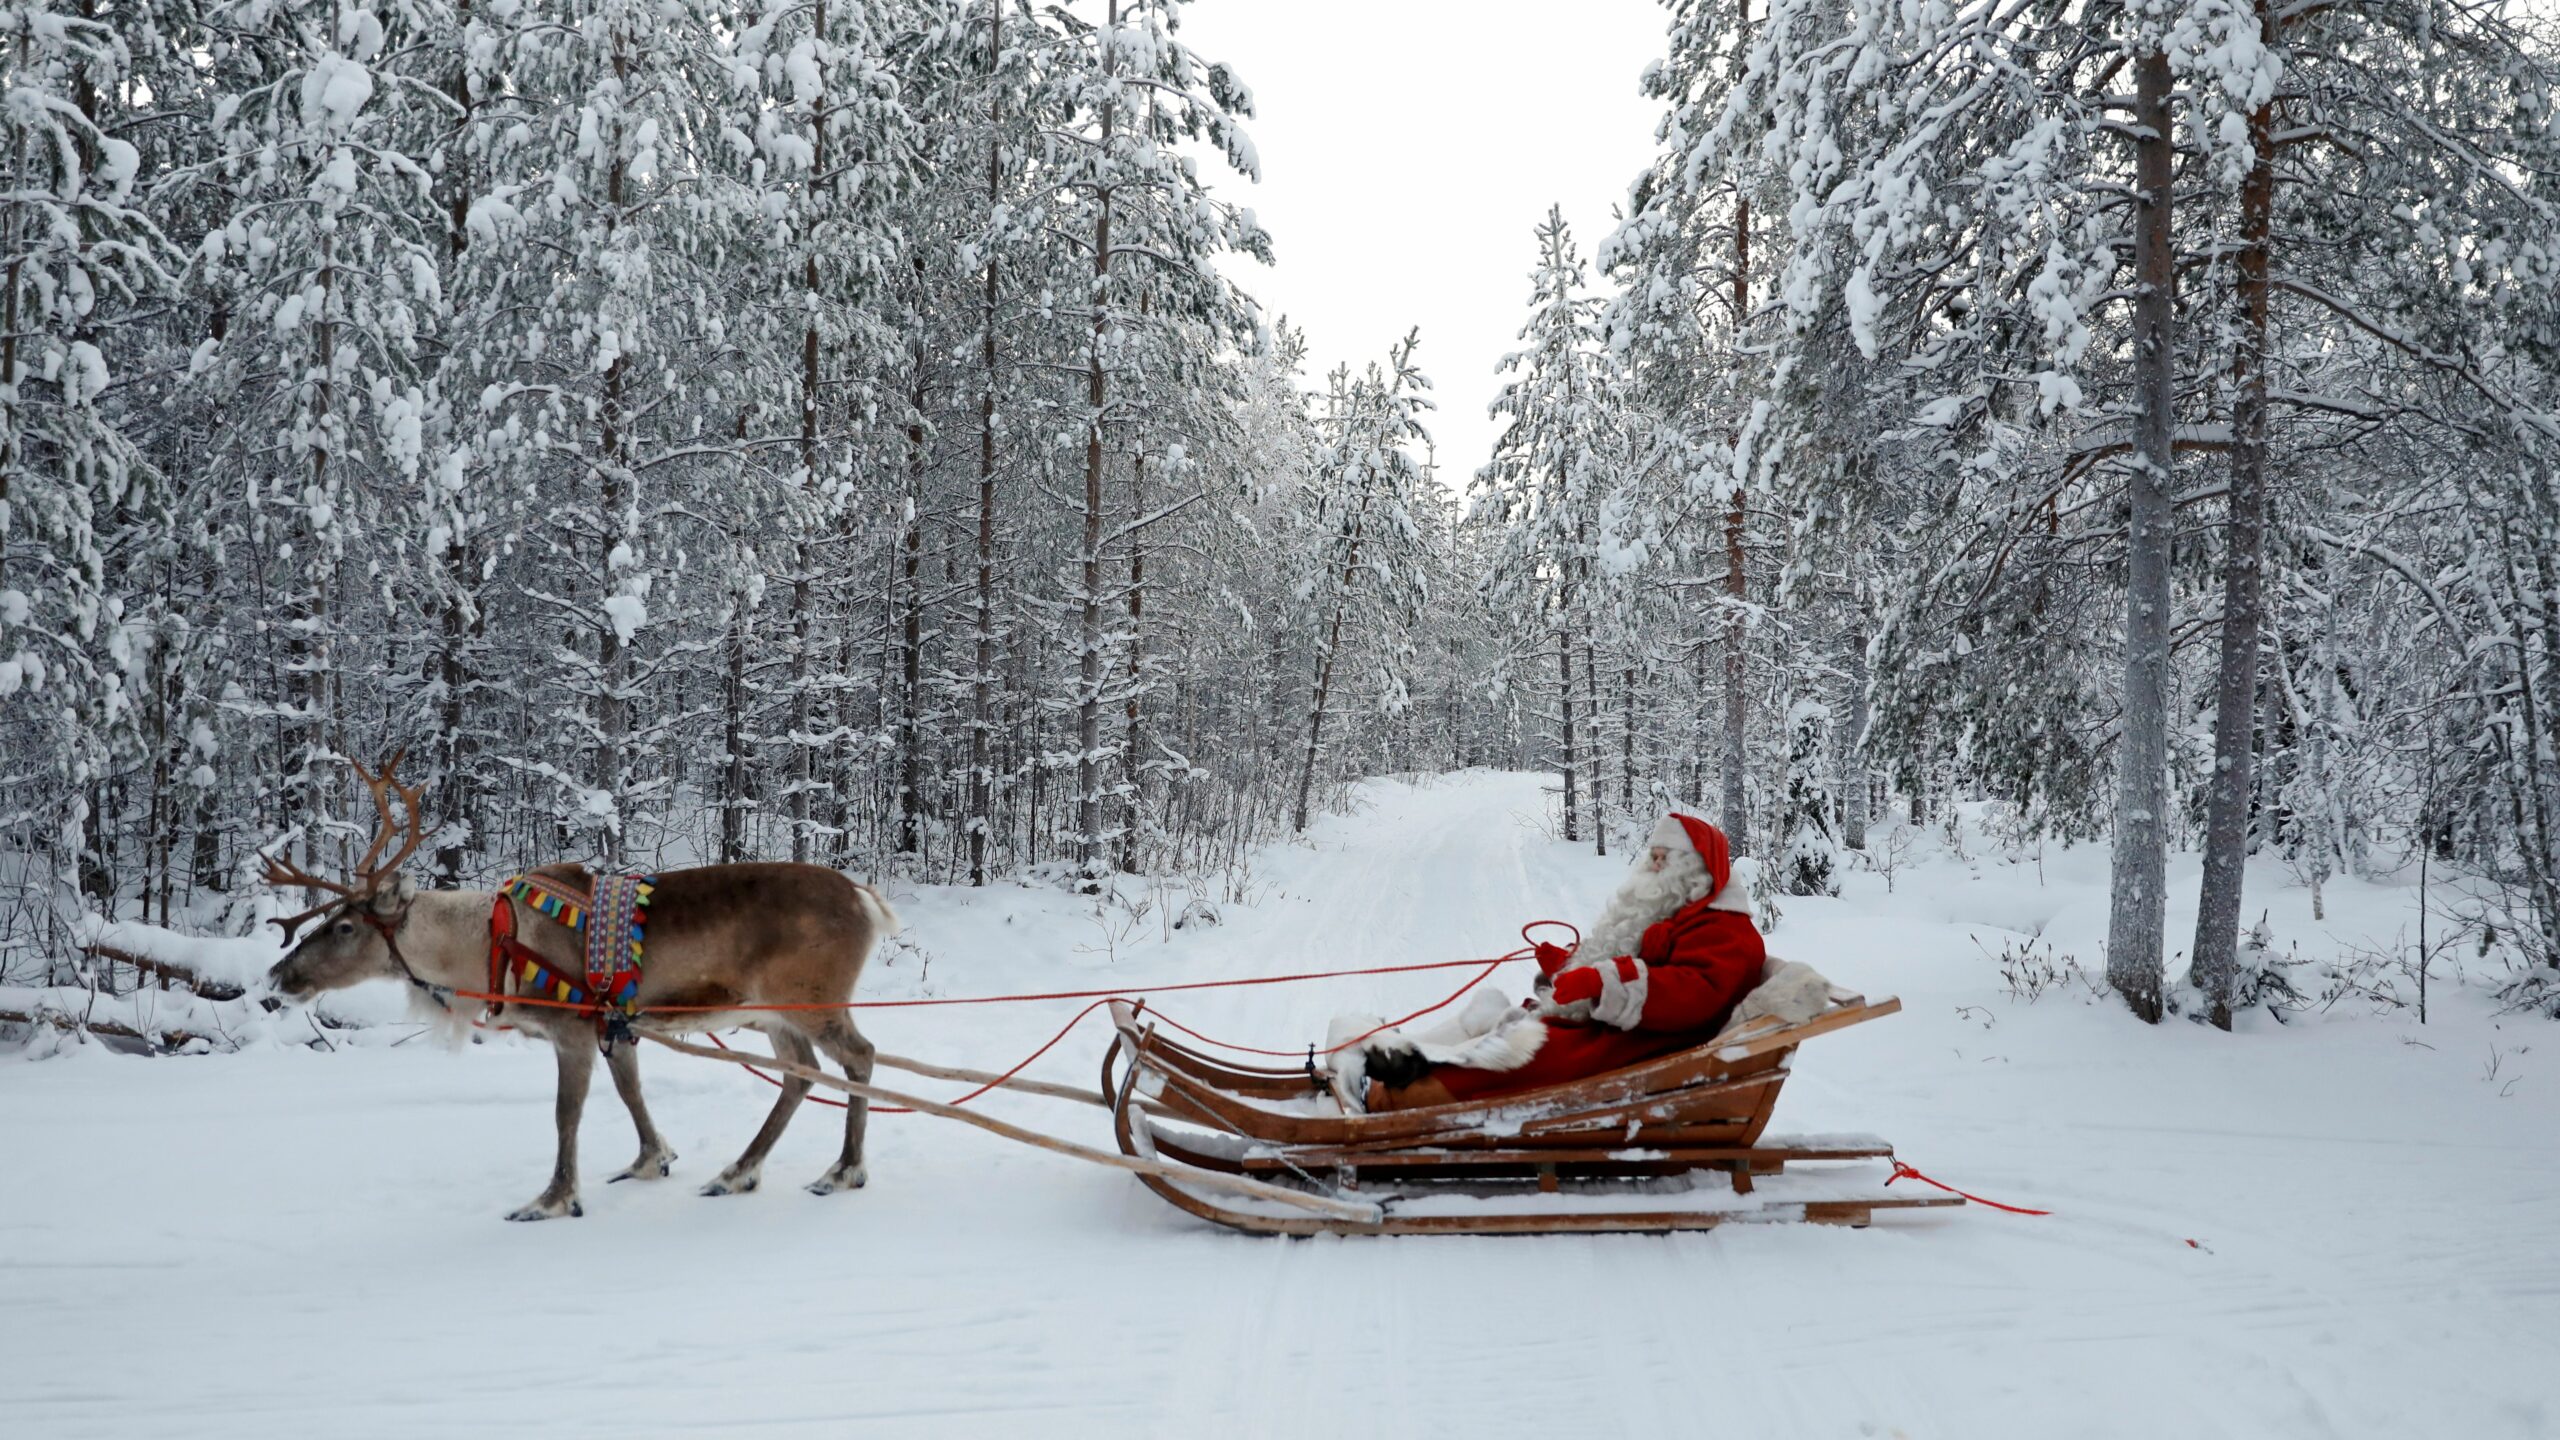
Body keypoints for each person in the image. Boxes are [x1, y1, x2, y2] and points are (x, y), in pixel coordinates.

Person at [1341, 813, 1767, 1112]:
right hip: (1621, 1028)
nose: (1654, 868)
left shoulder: (1725, 930)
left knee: (1526, 1050)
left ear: (1697, 868)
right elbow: (1629, 962)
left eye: (1665, 860)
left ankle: (1400, 1096)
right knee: (1499, 1015)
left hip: (1649, 1048)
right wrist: (1566, 966)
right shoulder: (1678, 909)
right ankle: (1399, 1061)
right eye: (1652, 857)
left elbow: (1694, 995)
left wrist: (1600, 981)